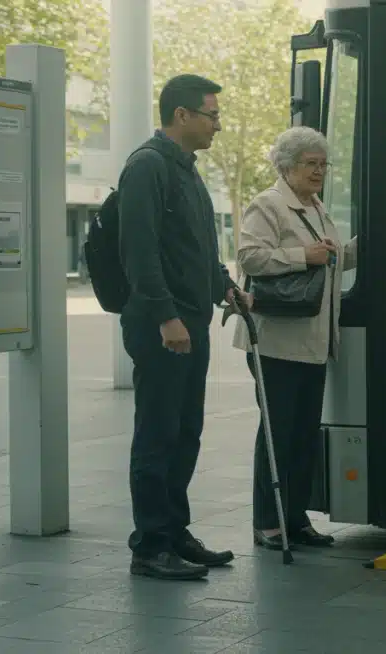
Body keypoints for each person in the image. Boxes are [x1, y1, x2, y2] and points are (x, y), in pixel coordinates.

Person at [118, 74, 251, 580]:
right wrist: (167, 317)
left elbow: (194, 248)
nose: (218, 124)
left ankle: (174, 531)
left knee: (185, 432)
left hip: (189, 323)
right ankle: (150, 545)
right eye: (211, 115)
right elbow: (141, 252)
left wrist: (225, 286)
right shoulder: (148, 167)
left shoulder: (188, 172)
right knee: (157, 434)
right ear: (182, 116)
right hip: (162, 328)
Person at [232, 126, 357, 552]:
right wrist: (303, 255)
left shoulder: (317, 208)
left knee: (304, 434)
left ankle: (296, 516)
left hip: (315, 341)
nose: (319, 171)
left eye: (323, 164)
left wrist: (363, 246)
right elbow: (249, 256)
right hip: (276, 342)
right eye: (311, 164)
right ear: (287, 166)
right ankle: (268, 521)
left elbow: (331, 260)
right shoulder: (268, 205)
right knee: (278, 432)